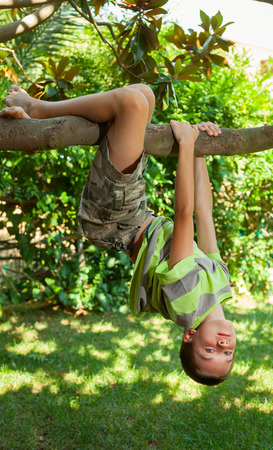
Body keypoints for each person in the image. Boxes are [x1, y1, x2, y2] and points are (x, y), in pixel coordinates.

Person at [0, 84, 236, 386]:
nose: (222, 347)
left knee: (132, 104)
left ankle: (38, 111)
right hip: (133, 213)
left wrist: (187, 145)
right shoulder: (220, 287)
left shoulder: (187, 305)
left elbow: (183, 217)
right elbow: (204, 214)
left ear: (190, 335)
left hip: (112, 221)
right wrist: (200, 149)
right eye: (227, 355)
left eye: (208, 352)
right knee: (144, 96)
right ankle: (37, 130)